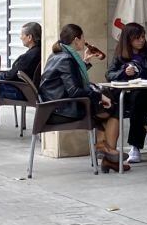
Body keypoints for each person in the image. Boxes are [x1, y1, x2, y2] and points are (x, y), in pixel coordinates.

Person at [38, 23, 128, 172]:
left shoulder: (58, 54)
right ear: (76, 39)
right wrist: (99, 96)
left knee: (103, 107)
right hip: (63, 109)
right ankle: (107, 153)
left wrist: (85, 62)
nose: (84, 40)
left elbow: (70, 79)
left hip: (54, 105)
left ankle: (105, 153)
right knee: (113, 109)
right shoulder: (67, 58)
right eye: (83, 38)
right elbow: (74, 90)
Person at [106, 22, 147, 163]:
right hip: (131, 95)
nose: (141, 40)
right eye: (137, 38)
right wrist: (124, 72)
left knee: (141, 99)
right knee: (137, 99)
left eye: (143, 37)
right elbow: (109, 74)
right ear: (128, 39)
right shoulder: (121, 55)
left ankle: (136, 147)